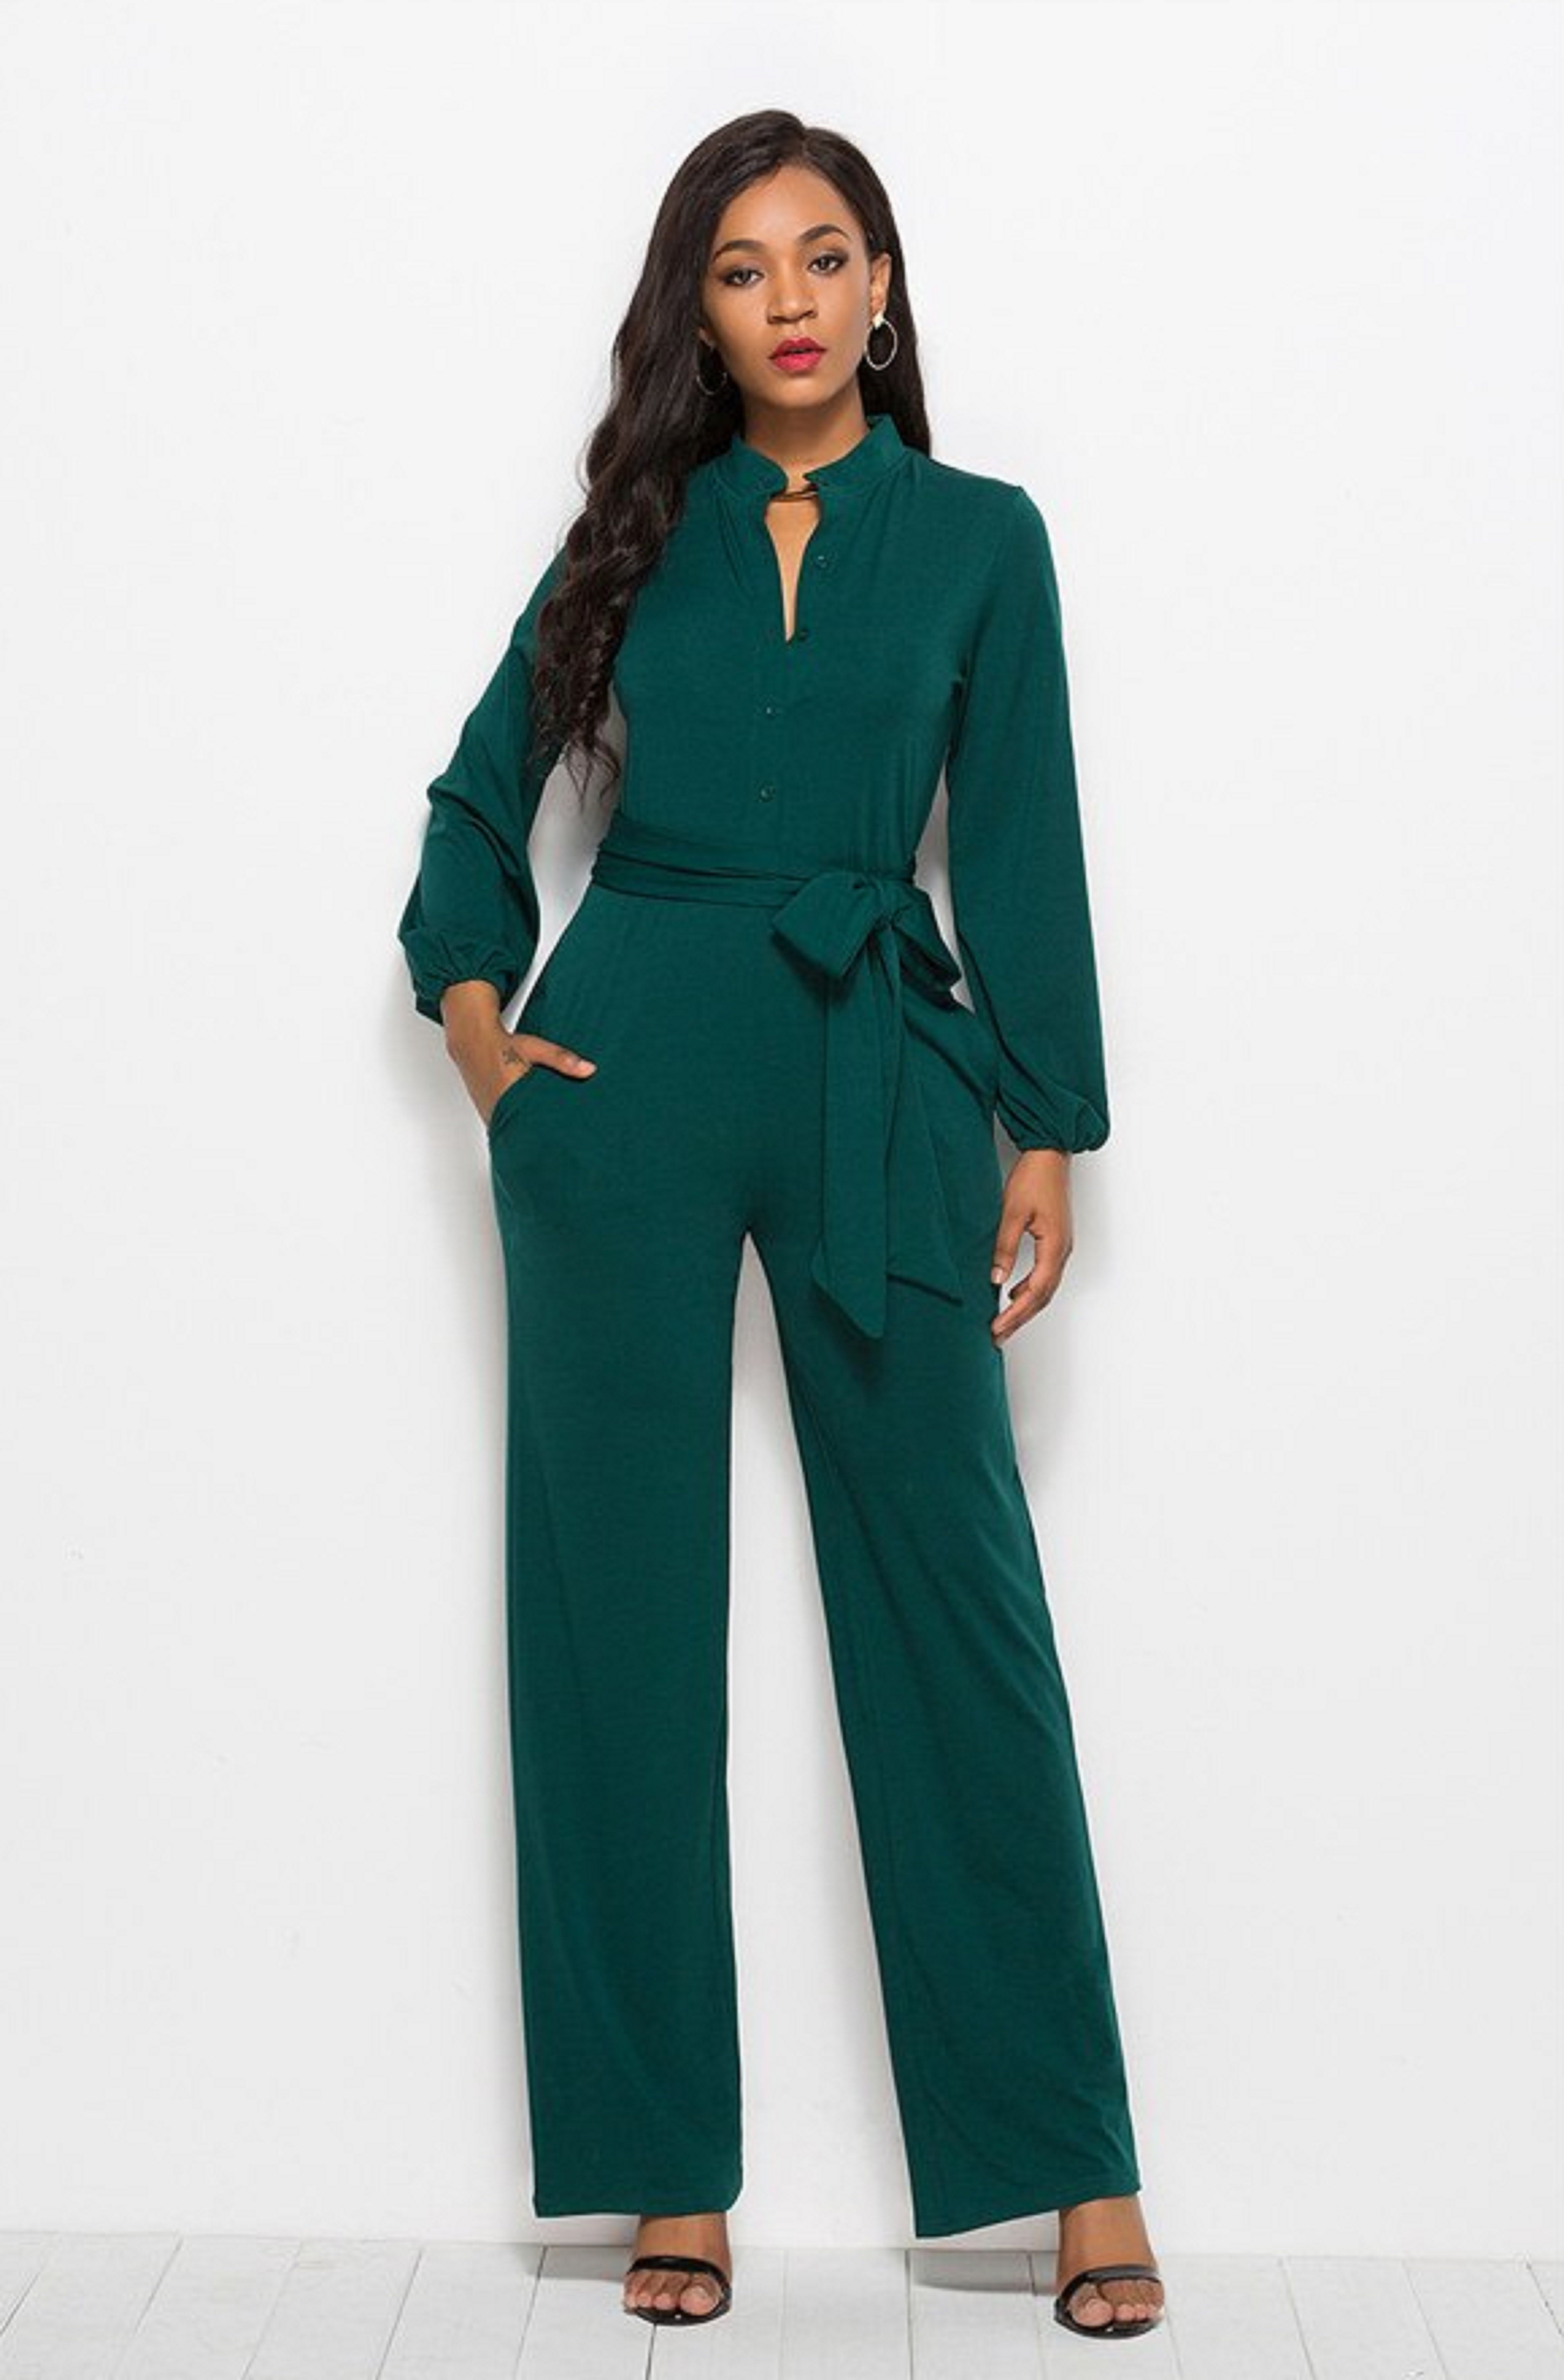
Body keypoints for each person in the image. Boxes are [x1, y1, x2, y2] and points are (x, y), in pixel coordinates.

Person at [395, 110, 1165, 2344]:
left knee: (955, 1613)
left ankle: (1074, 2164)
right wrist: (483, 1031)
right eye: (744, 270)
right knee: (615, 1621)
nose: (794, 300)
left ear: (883, 288)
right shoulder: (632, 542)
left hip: (878, 1073)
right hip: (626, 1063)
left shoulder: (982, 538)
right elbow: (475, 800)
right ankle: (666, 2170)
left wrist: (1046, 1121)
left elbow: (1020, 837)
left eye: (828, 257)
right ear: (702, 317)